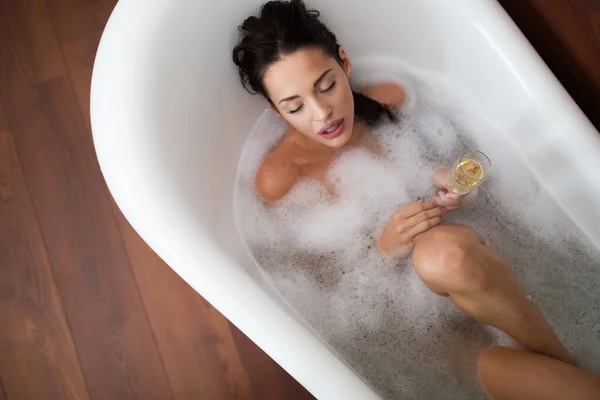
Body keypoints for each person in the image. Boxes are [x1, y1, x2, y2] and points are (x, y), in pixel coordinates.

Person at [232, 1, 600, 398]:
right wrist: (383, 250)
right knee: (443, 256)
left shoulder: (390, 100)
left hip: (485, 275)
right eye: (295, 106)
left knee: (443, 254)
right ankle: (563, 360)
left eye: (326, 86)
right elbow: (320, 290)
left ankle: (561, 359)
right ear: (275, 110)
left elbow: (455, 163)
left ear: (345, 64)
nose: (322, 113)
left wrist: (449, 182)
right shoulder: (280, 180)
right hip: (429, 331)